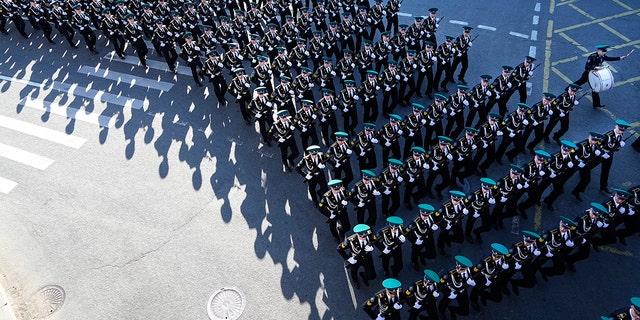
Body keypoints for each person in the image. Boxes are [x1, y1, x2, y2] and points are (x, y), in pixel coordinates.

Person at [572, 44, 628, 109]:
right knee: (578, 83)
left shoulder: (603, 56)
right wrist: (595, 67)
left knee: (595, 89)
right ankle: (568, 90)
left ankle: (596, 104)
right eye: (603, 51)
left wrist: (620, 58)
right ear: (599, 50)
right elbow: (587, 67)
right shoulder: (592, 56)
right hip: (588, 74)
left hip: (595, 75)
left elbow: (609, 58)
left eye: (605, 51)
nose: (605, 52)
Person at [469, 243, 511, 311]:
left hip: (495, 279)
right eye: (494, 255)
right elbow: (473, 272)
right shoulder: (485, 261)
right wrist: (484, 280)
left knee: (498, 298)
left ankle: (484, 295)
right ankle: (473, 300)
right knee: (477, 289)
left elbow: (511, 259)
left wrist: (507, 266)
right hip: (484, 279)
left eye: (498, 256)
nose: (494, 257)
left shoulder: (504, 258)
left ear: (502, 256)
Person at [338, 224, 376, 289]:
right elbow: (339, 248)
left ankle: (364, 275)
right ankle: (355, 281)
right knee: (354, 271)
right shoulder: (350, 240)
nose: (364, 238)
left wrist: (372, 247)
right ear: (357, 234)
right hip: (355, 258)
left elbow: (374, 240)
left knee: (372, 275)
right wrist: (349, 259)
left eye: (365, 236)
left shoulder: (369, 234)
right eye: (362, 237)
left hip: (367, 257)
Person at [438, 255, 475, 320]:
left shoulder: (470, 271)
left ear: (466, 268)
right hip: (452, 291)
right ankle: (441, 312)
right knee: (443, 304)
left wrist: (473, 282)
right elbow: (440, 285)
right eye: (457, 267)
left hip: (462, 291)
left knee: (465, 311)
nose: (458, 270)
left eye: (461, 269)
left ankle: (452, 310)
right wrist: (448, 294)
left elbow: (477, 274)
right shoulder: (448, 274)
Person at [570, 132, 605, 201]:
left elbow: (600, 149)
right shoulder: (581, 145)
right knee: (566, 175)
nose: (594, 141)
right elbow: (572, 154)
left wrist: (601, 152)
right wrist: (578, 162)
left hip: (585, 164)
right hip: (576, 164)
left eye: (596, 140)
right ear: (589, 137)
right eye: (593, 139)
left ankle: (576, 191)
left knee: (587, 179)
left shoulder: (597, 144)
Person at [599, 119, 630, 194]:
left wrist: (619, 144)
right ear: (616, 126)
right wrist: (603, 153)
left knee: (606, 171)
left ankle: (603, 186)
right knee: (589, 166)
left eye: (623, 130)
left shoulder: (620, 134)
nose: (621, 132)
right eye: (620, 129)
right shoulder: (607, 136)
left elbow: (614, 145)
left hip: (609, 155)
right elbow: (598, 145)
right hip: (600, 154)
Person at [405, 204, 439, 271]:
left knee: (433, 254)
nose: (424, 217)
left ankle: (422, 255)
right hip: (419, 239)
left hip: (429, 236)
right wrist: (414, 240)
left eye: (426, 216)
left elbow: (439, 216)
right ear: (420, 212)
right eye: (423, 215)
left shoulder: (431, 216)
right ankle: (414, 262)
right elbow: (406, 232)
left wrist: (436, 224)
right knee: (415, 252)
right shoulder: (414, 222)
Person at [466, 177, 497, 244]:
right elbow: (467, 205)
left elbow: (497, 193)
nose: (486, 190)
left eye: (488, 189)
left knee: (487, 226)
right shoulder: (474, 195)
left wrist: (494, 200)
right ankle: (467, 234)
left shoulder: (492, 191)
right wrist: (472, 212)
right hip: (474, 210)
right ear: (482, 185)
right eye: (484, 188)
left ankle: (477, 231)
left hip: (484, 209)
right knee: (470, 223)